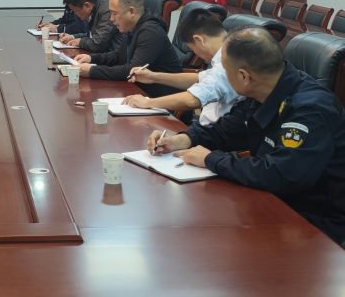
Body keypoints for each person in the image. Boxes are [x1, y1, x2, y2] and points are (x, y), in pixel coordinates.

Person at [148, 27, 345, 245]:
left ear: (243, 76)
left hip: (315, 224)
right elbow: (226, 130)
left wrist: (211, 159)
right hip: (275, 202)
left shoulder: (310, 109)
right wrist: (184, 138)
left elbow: (282, 174)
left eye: (225, 70)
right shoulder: (263, 90)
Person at [123, 8, 239, 124]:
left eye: (192, 48)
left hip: (214, 132)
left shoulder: (227, 65)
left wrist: (148, 103)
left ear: (199, 40)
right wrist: (153, 77)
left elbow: (192, 99)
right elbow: (199, 78)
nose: (196, 53)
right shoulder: (231, 53)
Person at [75, 0, 182, 97]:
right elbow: (118, 56)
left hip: (162, 97)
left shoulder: (150, 32)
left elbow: (131, 71)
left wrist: (92, 71)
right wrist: (91, 58)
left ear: (131, 12)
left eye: (114, 13)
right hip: (139, 91)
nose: (111, 19)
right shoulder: (131, 27)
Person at [57, 0, 121, 54]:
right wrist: (73, 37)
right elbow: (91, 35)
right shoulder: (93, 10)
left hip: (113, 57)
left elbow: (98, 43)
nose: (75, 14)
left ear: (87, 5)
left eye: (75, 11)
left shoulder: (106, 11)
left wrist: (81, 42)